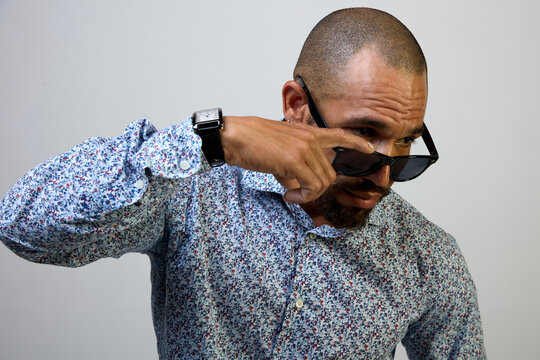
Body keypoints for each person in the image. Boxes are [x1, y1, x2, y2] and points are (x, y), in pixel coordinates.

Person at [0, 7, 486, 359]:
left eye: (405, 146)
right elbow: (23, 225)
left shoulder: (430, 260)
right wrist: (212, 137)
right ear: (297, 104)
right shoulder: (192, 193)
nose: (383, 178)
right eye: (363, 135)